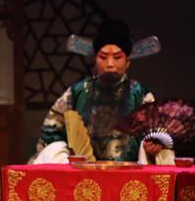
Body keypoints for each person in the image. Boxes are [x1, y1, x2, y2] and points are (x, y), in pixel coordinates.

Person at [32, 19, 172, 164]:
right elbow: (51, 130)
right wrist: (65, 156)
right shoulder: (77, 92)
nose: (110, 64)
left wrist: (152, 146)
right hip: (83, 174)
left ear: (128, 61)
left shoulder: (140, 94)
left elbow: (157, 133)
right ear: (95, 59)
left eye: (117, 57)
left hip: (129, 175)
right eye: (103, 57)